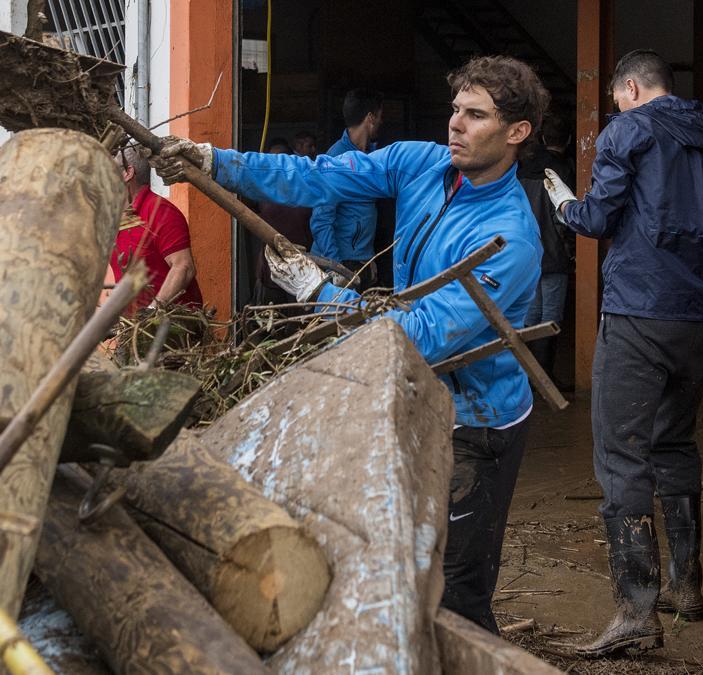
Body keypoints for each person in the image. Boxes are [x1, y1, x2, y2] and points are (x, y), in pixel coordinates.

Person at [153, 55, 548, 634]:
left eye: (476, 115)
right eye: (456, 109)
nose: (455, 125)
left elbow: (420, 337)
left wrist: (320, 292)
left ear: (517, 133)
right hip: (411, 395)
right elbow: (320, 176)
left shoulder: (507, 237)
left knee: (456, 592)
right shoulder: (423, 164)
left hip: (476, 423)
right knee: (403, 560)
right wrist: (218, 163)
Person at [543, 49, 703, 657]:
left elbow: (599, 219)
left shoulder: (627, 130)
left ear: (630, 88)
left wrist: (562, 204)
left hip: (640, 311)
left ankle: (636, 607)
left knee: (620, 453)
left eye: (615, 98)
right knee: (674, 442)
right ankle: (687, 587)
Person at [517, 114, 574, 388]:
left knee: (530, 315)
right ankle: (545, 379)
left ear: (541, 138)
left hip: (527, 255)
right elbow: (564, 219)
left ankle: (525, 377)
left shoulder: (523, 169)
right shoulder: (565, 171)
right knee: (551, 316)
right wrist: (571, 251)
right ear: (570, 140)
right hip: (554, 257)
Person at [112, 145, 204, 311]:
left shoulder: (159, 211)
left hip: (172, 329)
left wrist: (152, 312)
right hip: (135, 331)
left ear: (128, 173)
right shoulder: (118, 218)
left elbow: (184, 267)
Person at [309, 89, 384, 288]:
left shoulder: (373, 157)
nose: (381, 122)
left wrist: (368, 258)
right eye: (380, 116)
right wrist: (336, 268)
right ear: (370, 118)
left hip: (359, 260)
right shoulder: (337, 160)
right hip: (339, 264)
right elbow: (320, 220)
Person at [252, 138, 313, 308]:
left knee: (300, 325)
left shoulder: (305, 189)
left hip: (302, 269)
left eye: (278, 159)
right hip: (269, 271)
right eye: (270, 159)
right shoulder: (262, 189)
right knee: (269, 326)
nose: (273, 164)